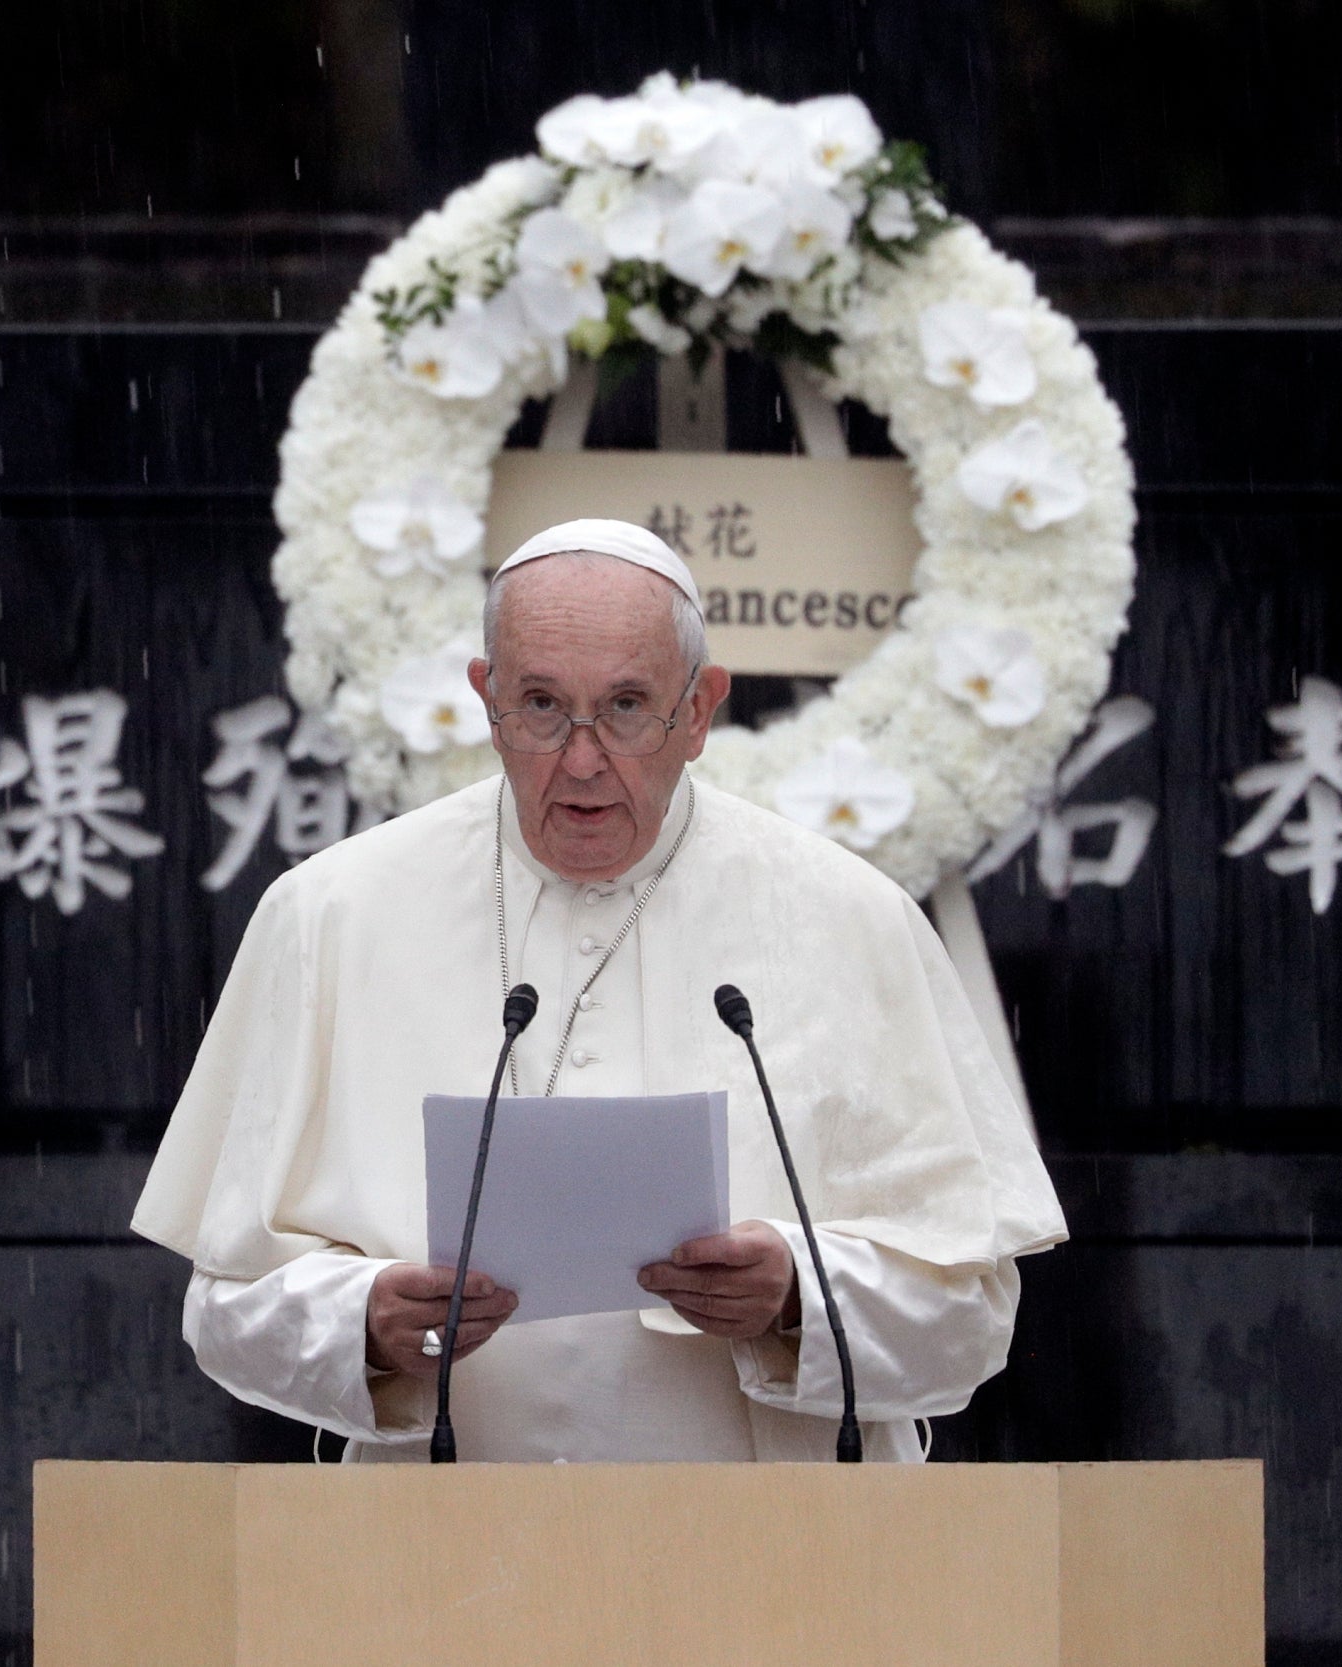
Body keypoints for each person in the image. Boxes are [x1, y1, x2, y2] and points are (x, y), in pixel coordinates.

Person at [134, 518, 1065, 1461]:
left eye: (627, 706)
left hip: (774, 1569)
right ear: (485, 698)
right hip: (436, 1570)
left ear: (699, 710)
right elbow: (225, 1310)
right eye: (541, 704)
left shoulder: (850, 917)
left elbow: (971, 1323)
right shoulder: (330, 914)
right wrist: (360, 1321)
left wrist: (795, 1294)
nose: (581, 760)